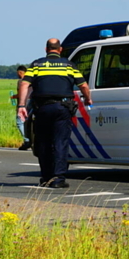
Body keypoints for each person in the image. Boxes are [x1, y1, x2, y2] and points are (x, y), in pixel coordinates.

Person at [17, 39, 93, 189]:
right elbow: (83, 85)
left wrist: (21, 105)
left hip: (42, 108)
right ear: (60, 49)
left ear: (46, 49)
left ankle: (46, 178)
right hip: (62, 108)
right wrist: (88, 99)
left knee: (43, 143)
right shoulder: (68, 65)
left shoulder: (37, 64)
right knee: (60, 142)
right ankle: (58, 178)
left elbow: (25, 83)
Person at [11, 65, 31, 151]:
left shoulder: (21, 81)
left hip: (23, 105)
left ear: (20, 72)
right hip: (31, 103)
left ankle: (27, 140)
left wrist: (13, 97)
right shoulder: (31, 80)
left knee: (20, 122)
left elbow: (20, 94)